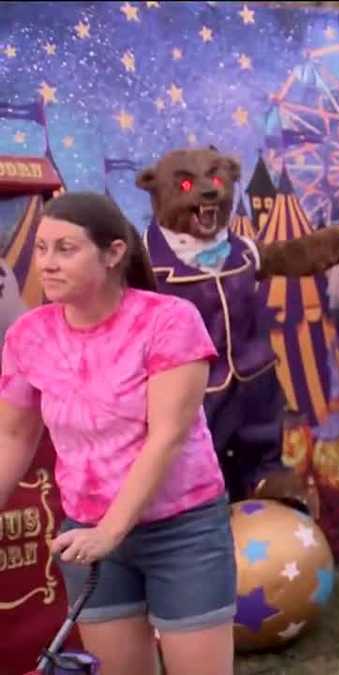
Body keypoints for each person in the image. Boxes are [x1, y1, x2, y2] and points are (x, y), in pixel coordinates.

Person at [0, 192, 234, 675]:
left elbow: (166, 437)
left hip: (182, 529)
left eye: (66, 249)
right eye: (41, 248)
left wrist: (112, 529)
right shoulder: (28, 335)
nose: (47, 263)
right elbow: (13, 436)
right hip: (87, 533)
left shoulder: (168, 321)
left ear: (112, 254)